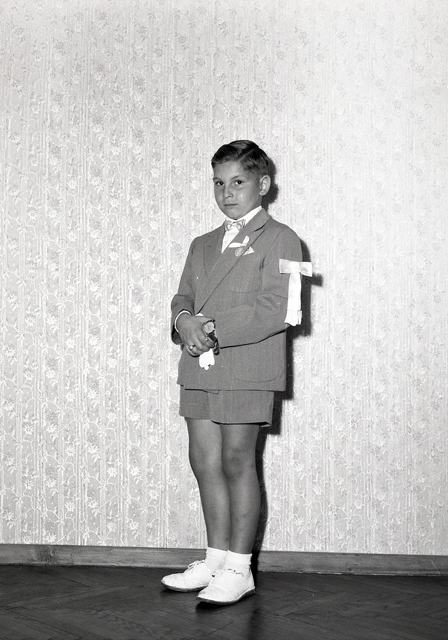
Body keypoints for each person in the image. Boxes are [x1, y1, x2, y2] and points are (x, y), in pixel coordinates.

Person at [162, 140, 310, 605]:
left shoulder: (281, 238)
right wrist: (183, 321)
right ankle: (214, 559)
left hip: (247, 366)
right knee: (204, 461)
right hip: (199, 363)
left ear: (263, 185)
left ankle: (239, 568)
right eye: (219, 183)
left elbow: (278, 308)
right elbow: (183, 297)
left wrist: (209, 328)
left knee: (236, 461)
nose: (227, 192)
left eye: (238, 182)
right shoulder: (201, 244)